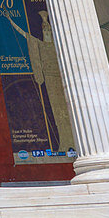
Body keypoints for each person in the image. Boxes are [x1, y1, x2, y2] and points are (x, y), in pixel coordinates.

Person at [8, 11, 74, 153]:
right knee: (57, 111)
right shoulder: (39, 44)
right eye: (45, 30)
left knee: (67, 110)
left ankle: (73, 141)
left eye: (49, 29)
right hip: (50, 78)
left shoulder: (58, 45)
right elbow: (24, 34)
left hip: (61, 78)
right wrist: (10, 21)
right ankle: (64, 141)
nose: (47, 32)